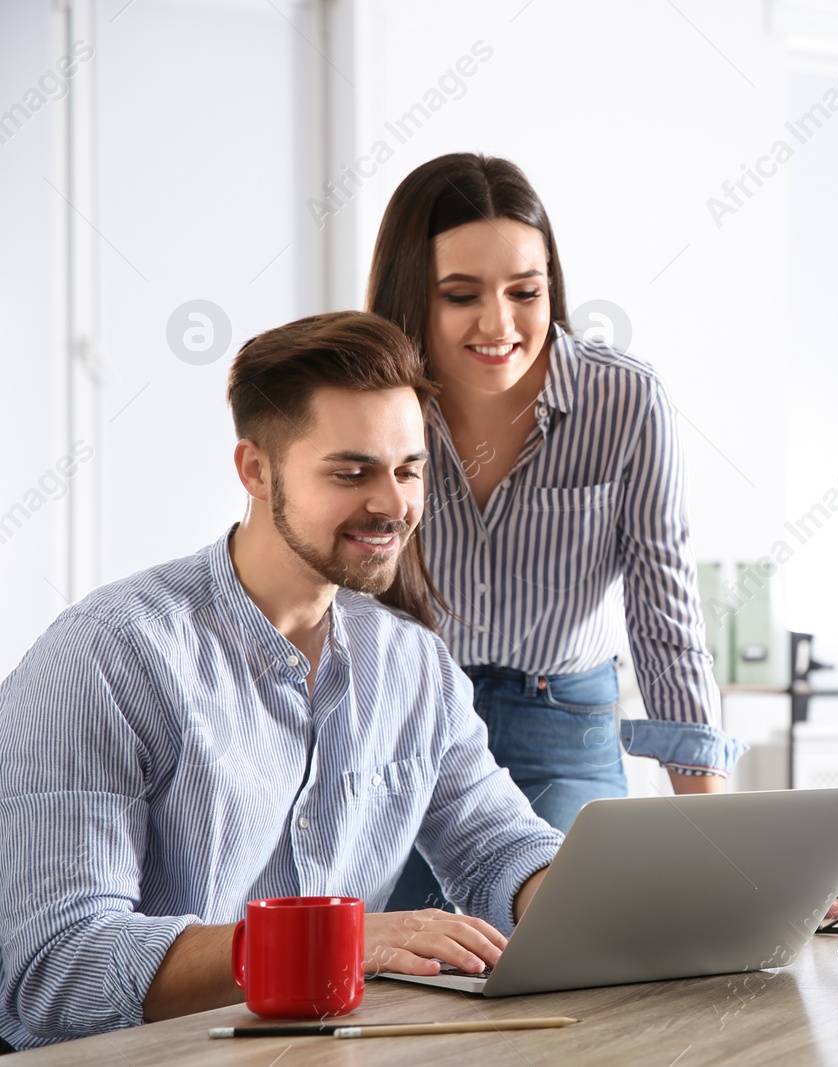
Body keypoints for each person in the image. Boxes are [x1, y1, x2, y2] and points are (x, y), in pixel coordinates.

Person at [0, 312, 563, 1050]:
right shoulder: (107, 656)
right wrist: (332, 942)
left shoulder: (413, 665)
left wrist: (585, 900)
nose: (393, 504)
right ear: (257, 470)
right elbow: (57, 964)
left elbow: (498, 850)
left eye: (409, 468)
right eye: (351, 471)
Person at [368, 153, 748, 910]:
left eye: (525, 291)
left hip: (563, 721)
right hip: (406, 723)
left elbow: (666, 618)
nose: (499, 324)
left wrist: (718, 848)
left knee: (563, 937)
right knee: (408, 963)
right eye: (460, 294)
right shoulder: (376, 405)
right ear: (413, 295)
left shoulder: (625, 402)